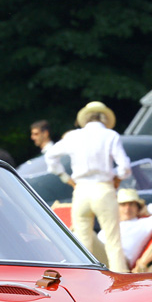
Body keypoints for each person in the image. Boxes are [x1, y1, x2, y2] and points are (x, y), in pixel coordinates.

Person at [44, 101, 131, 272]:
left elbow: (50, 156)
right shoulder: (110, 135)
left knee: (82, 245)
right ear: (104, 118)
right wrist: (118, 179)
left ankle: (84, 282)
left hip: (81, 191)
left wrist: (64, 177)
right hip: (104, 189)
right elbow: (125, 167)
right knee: (113, 242)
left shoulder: (73, 136)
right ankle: (121, 282)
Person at [102, 188, 152, 267]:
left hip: (119, 260)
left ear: (138, 207)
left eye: (131, 204)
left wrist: (147, 209)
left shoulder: (144, 224)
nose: (127, 209)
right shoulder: (112, 225)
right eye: (123, 205)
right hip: (103, 254)